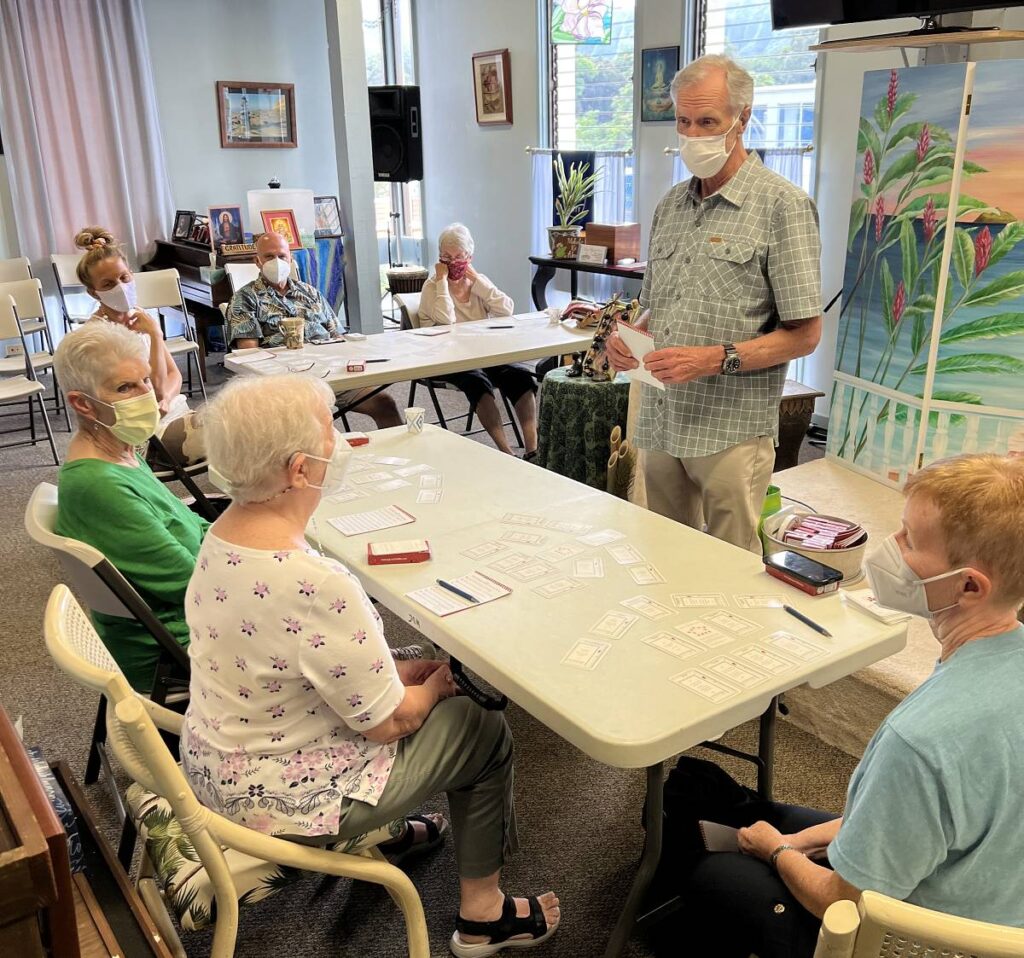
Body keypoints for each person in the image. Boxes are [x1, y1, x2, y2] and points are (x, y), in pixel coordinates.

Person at [182, 373, 560, 954]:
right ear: (299, 470)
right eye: (328, 433)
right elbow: (389, 723)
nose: (339, 442)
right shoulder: (318, 583)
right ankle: (483, 915)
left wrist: (391, 672)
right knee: (481, 728)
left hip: (218, 764)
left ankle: (388, 827)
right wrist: (433, 691)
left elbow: (289, 659)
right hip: (285, 797)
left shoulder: (221, 538)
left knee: (407, 665)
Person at [658, 453, 1024, 958]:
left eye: (910, 542)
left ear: (968, 585)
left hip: (915, 940)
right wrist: (802, 840)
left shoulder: (919, 741)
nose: (889, 549)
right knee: (765, 811)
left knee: (713, 871)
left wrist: (780, 850)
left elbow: (843, 902)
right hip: (995, 904)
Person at [606, 54, 822, 554]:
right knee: (664, 552)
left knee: (731, 566)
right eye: (684, 121)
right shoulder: (671, 205)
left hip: (731, 427)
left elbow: (805, 334)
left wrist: (712, 358)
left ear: (742, 119)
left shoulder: (782, 206)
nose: (693, 134)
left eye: (708, 122)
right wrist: (627, 339)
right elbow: (653, 305)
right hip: (661, 415)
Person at [52, 322, 208, 691]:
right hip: (179, 643)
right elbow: (190, 584)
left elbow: (187, 525)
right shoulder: (98, 485)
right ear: (82, 404)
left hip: (194, 613)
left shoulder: (122, 454)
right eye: (124, 388)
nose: (146, 396)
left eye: (145, 381)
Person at [226, 231, 401, 429]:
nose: (277, 261)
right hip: (287, 384)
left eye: (282, 256)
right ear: (257, 261)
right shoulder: (245, 299)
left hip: (333, 375)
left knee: (385, 403)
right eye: (269, 256)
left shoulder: (310, 293)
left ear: (290, 258)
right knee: (313, 421)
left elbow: (339, 336)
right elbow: (249, 356)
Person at [74, 225, 204, 466]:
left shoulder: (140, 317)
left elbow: (173, 375)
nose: (120, 287)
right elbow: (155, 389)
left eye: (124, 278)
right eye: (108, 284)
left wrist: (166, 399)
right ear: (94, 293)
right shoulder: (101, 337)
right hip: (138, 432)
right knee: (227, 433)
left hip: (169, 411)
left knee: (236, 421)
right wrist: (155, 335)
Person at [418, 223, 539, 458]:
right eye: (446, 257)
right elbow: (446, 321)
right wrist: (443, 282)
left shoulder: (477, 281)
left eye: (459, 257)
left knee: (520, 377)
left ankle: (532, 449)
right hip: (444, 357)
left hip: (482, 353)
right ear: (439, 258)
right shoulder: (432, 286)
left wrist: (477, 281)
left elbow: (506, 309)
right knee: (477, 381)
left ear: (470, 257)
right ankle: (506, 453)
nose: (453, 263)